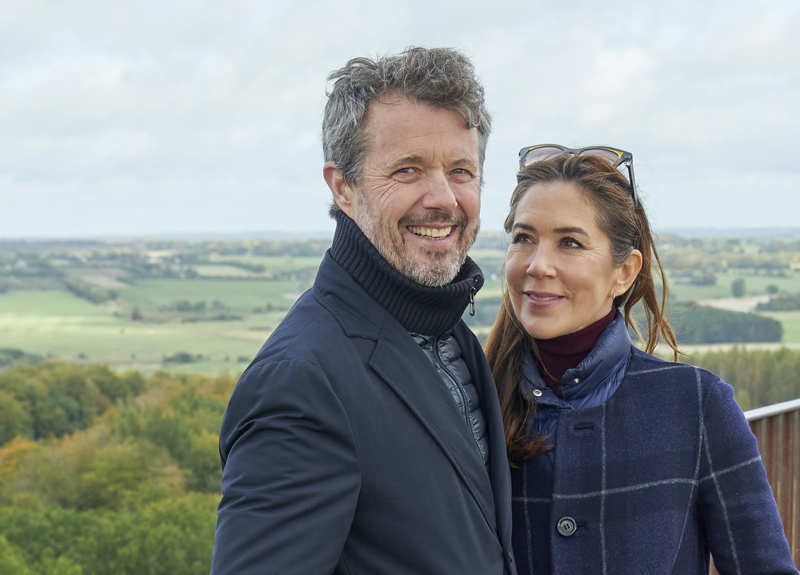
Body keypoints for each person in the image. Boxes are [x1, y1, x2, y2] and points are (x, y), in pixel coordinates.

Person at [210, 47, 516, 575]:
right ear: (343, 187)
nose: (443, 198)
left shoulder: (449, 337)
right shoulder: (301, 381)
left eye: (462, 170)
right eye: (408, 170)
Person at [485, 146, 797, 574]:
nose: (539, 265)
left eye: (570, 243)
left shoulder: (697, 406)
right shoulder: (472, 401)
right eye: (524, 238)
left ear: (625, 272)